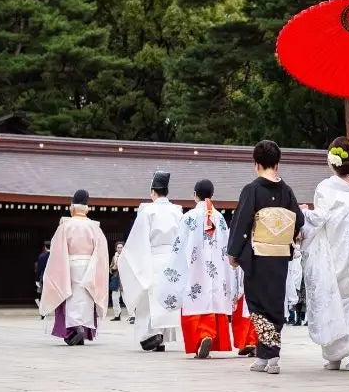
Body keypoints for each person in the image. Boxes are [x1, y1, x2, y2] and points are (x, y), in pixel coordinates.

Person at [301, 137, 349, 371]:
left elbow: (318, 219)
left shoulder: (326, 187)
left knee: (334, 300)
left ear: (331, 161)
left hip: (334, 253)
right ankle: (348, 353)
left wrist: (303, 213)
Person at [227, 140, 304, 375]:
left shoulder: (253, 190)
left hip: (258, 256)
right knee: (274, 303)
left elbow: (242, 223)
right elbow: (298, 221)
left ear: (256, 164)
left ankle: (271, 355)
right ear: (277, 164)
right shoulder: (286, 190)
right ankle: (264, 356)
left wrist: (233, 252)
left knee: (258, 304)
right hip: (279, 255)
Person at [119, 171, 185, 352]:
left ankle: (151, 335)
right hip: (172, 261)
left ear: (153, 192)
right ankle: (162, 337)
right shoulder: (177, 212)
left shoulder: (147, 211)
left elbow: (138, 241)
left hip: (153, 258)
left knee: (149, 299)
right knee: (165, 298)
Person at [38, 190, 110, 346]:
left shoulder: (65, 226)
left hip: (69, 265)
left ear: (72, 208)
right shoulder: (95, 227)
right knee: (86, 297)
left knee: (69, 296)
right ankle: (83, 328)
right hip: (89, 266)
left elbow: (57, 251)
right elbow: (102, 253)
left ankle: (74, 330)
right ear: (87, 208)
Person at [177, 179, 236, 359]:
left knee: (195, 300)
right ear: (212, 195)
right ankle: (209, 335)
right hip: (215, 270)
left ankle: (202, 337)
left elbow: (179, 246)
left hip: (195, 267)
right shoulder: (219, 218)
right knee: (212, 299)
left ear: (195, 195)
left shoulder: (188, 217)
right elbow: (227, 246)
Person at [109, 242, 123, 321]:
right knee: (114, 298)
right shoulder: (114, 257)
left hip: (125, 280)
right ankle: (117, 315)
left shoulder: (126, 257)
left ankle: (133, 316)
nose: (120, 249)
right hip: (116, 279)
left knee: (127, 299)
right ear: (116, 248)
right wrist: (114, 268)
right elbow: (110, 269)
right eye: (118, 247)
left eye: (121, 247)